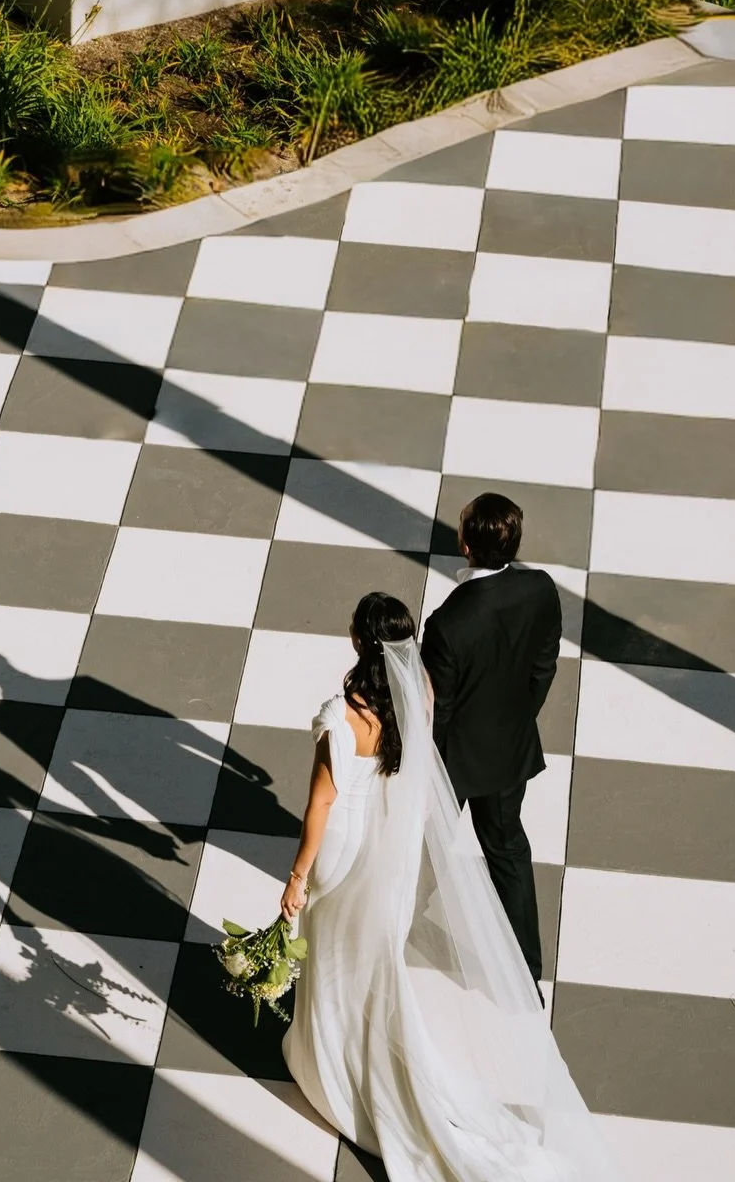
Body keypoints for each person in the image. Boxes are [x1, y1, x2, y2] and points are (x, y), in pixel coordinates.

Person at [278, 593, 622, 1181]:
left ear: (360, 640)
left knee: (329, 944)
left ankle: (329, 1061)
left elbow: (322, 802)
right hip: (380, 844)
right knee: (362, 956)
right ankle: (352, 1052)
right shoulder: (418, 699)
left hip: (339, 847)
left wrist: (297, 876)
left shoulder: (341, 714)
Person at [420, 493, 562, 982]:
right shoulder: (541, 589)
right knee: (507, 849)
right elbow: (544, 665)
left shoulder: (447, 624)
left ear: (464, 545)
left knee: (423, 843)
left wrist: (428, 769)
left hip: (456, 763)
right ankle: (527, 970)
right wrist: (519, 718)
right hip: (509, 751)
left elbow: (441, 712)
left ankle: (396, 928)